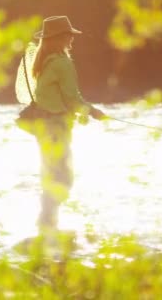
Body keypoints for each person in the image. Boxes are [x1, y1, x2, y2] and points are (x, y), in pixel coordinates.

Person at [26, 16, 106, 232]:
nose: (72, 38)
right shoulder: (61, 63)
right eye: (68, 34)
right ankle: (47, 223)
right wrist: (94, 112)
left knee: (51, 174)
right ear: (59, 37)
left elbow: (61, 97)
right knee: (63, 177)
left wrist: (81, 112)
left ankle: (46, 223)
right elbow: (72, 98)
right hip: (54, 128)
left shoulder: (46, 62)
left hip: (44, 127)